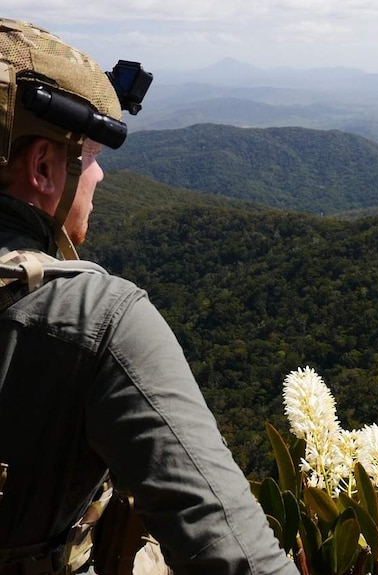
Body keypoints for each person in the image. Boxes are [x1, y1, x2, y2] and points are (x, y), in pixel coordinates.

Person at [0, 18, 297, 575]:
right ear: (43, 166)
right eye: (87, 154)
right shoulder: (97, 318)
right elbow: (238, 559)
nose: (101, 177)